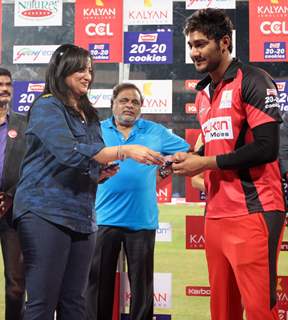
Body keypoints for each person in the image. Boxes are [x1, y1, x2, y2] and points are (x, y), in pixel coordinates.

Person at [12, 44, 163, 320]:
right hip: (44, 213)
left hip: (82, 216)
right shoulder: (46, 105)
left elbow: (90, 158)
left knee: (75, 302)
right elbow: (69, 152)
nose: (87, 76)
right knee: (43, 301)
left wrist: (98, 173)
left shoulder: (88, 112)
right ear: (62, 70)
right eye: (81, 69)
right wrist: (125, 150)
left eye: (90, 70)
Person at [172, 8, 286, 320]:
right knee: (222, 311)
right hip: (216, 215)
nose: (194, 52)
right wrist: (191, 160)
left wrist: (206, 162)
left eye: (201, 44)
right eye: (191, 45)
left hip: (255, 210)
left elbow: (266, 148)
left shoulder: (254, 81)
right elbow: (216, 146)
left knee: (261, 311)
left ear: (224, 42)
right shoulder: (203, 94)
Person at [86, 82, 190, 320]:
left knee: (142, 292)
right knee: (97, 287)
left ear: (141, 107)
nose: (129, 106)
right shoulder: (97, 130)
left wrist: (165, 170)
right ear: (113, 104)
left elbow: (187, 153)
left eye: (135, 102)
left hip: (142, 221)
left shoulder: (156, 132)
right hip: (103, 220)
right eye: (124, 100)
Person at [0, 67, 26, 320]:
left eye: (8, 84)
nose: (4, 88)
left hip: (13, 214)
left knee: (17, 285)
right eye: (0, 84)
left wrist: (10, 196)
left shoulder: (24, 125)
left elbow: (32, 168)